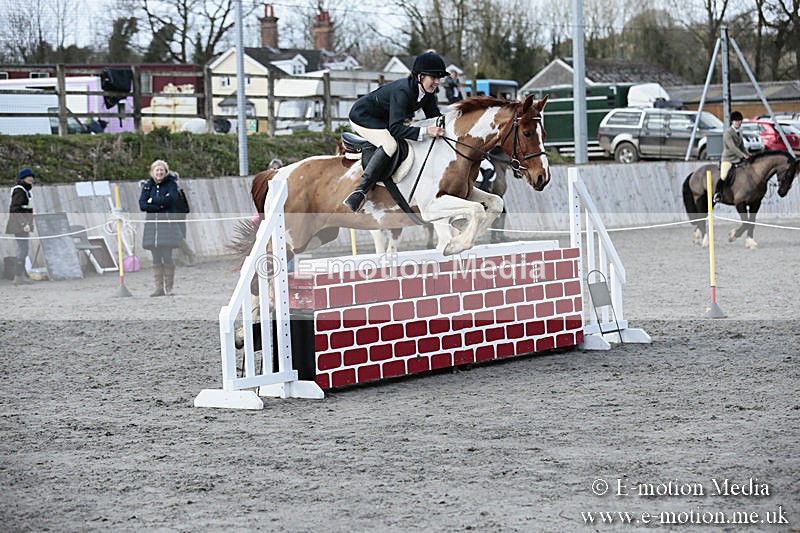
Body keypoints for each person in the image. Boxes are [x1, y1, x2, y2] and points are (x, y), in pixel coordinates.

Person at [343, 51, 448, 212]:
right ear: (420, 77)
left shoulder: (428, 94)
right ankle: (360, 191)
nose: (437, 82)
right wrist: (426, 131)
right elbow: (396, 129)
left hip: (383, 119)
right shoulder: (403, 91)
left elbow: (435, 118)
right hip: (363, 117)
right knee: (390, 144)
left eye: (439, 78)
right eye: (433, 77)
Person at [139, 160, 183, 296]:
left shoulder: (171, 184)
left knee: (167, 256)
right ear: (152, 172)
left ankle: (169, 288)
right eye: (157, 170)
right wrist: (160, 204)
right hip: (152, 227)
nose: (159, 173)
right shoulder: (147, 186)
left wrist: (153, 201)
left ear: (166, 171)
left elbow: (172, 199)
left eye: (161, 170)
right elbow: (143, 205)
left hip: (167, 225)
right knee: (156, 258)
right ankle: (159, 288)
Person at [5, 168, 35, 285]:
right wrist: (24, 224)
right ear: (23, 178)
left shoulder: (26, 191)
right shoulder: (20, 191)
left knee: (24, 249)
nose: (31, 178)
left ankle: (21, 275)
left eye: (32, 176)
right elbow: (15, 209)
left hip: (23, 224)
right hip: (19, 225)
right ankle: (18, 276)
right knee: (23, 250)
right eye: (29, 176)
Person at [714, 110, 749, 204]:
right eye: (735, 121)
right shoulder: (728, 133)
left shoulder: (739, 132)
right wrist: (743, 155)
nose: (737, 122)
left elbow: (742, 146)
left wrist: (748, 155)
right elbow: (732, 147)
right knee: (724, 176)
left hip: (738, 159)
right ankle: (718, 193)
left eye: (739, 120)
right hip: (728, 159)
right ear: (732, 122)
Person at [173, 173, 196, 267]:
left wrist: (182, 213)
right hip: (172, 218)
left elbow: (185, 206)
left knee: (180, 237)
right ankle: (181, 258)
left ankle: (188, 254)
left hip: (179, 218)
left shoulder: (179, 191)